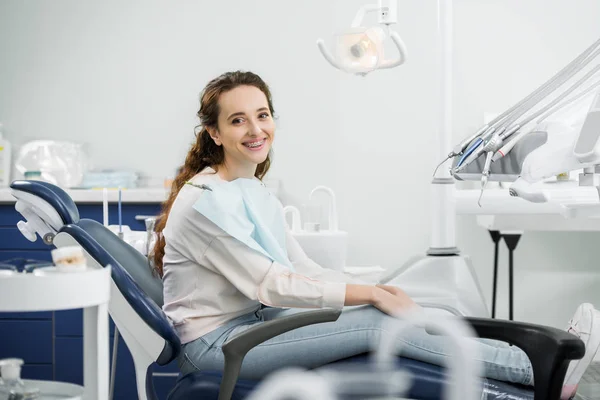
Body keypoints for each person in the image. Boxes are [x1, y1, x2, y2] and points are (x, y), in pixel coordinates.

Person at [152, 70, 600, 399]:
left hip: (250, 325)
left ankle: (524, 357)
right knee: (374, 325)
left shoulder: (248, 189)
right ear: (213, 132)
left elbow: (301, 267)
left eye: (263, 115)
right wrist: (369, 297)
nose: (255, 130)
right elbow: (274, 285)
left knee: (402, 305)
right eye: (237, 120)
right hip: (217, 347)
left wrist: (379, 289)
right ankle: (538, 370)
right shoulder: (205, 203)